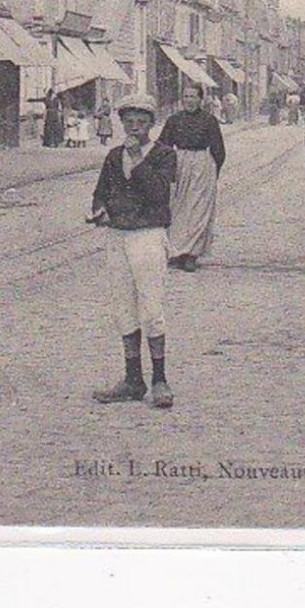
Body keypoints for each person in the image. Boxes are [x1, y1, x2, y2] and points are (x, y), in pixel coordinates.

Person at [88, 93, 179, 409]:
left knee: (151, 308)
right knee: (123, 307)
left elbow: (158, 194)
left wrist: (139, 158)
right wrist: (99, 210)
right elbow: (101, 192)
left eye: (141, 122)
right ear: (121, 123)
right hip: (118, 237)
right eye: (129, 122)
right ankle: (132, 379)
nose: (135, 128)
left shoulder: (164, 155)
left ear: (152, 125)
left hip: (148, 236)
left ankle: (159, 380)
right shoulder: (114, 156)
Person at [156, 83, 226, 272]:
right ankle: (177, 252)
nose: (189, 101)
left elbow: (218, 149)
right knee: (178, 208)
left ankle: (192, 254)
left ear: (200, 99)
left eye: (193, 97)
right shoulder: (174, 120)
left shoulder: (209, 120)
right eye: (186, 97)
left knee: (198, 210)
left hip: (202, 165)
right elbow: (163, 145)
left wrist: (213, 172)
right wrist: (166, 169)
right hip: (180, 164)